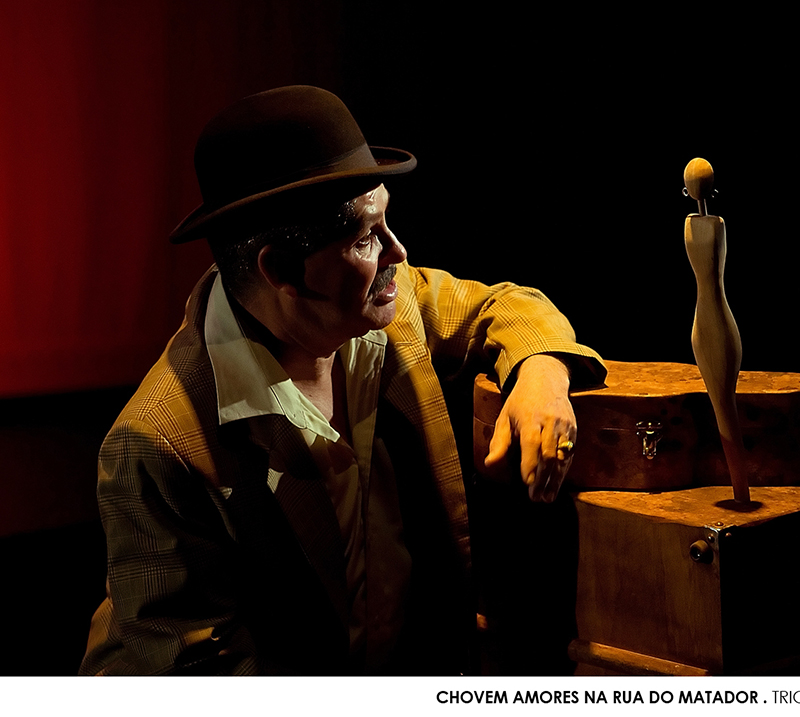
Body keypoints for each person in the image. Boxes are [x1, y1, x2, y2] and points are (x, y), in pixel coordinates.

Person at [79, 85, 605, 675]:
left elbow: (506, 306)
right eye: (365, 238)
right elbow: (204, 677)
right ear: (281, 269)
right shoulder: (157, 445)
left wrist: (541, 374)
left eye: (387, 222)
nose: (398, 253)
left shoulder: (388, 307)